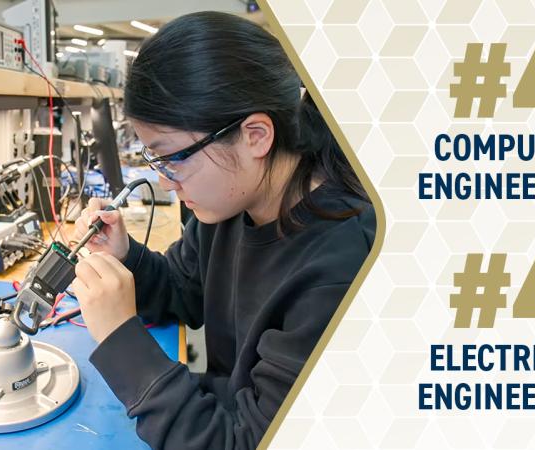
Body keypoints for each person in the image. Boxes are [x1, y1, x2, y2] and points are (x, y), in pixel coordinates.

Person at [71, 11, 376, 450]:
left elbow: (243, 442)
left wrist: (121, 342)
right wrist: (126, 257)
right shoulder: (231, 202)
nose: (163, 180)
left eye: (172, 157)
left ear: (255, 136)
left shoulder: (342, 268)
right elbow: (185, 289)